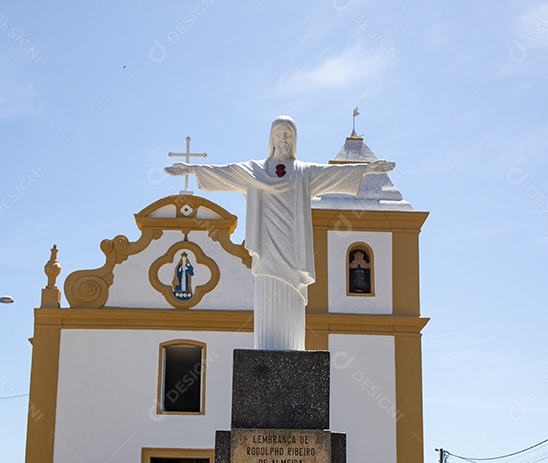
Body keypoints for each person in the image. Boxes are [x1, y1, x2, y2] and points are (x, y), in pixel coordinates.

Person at [166, 116, 395, 350]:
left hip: (293, 250)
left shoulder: (304, 173)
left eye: (288, 134)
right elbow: (225, 173)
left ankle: (292, 347)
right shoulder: (254, 171)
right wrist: (193, 169)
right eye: (279, 133)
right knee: (268, 293)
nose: (283, 138)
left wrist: (366, 170)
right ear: (271, 138)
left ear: (294, 140)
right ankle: (267, 347)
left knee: (292, 296)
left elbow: (333, 175)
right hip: (266, 249)